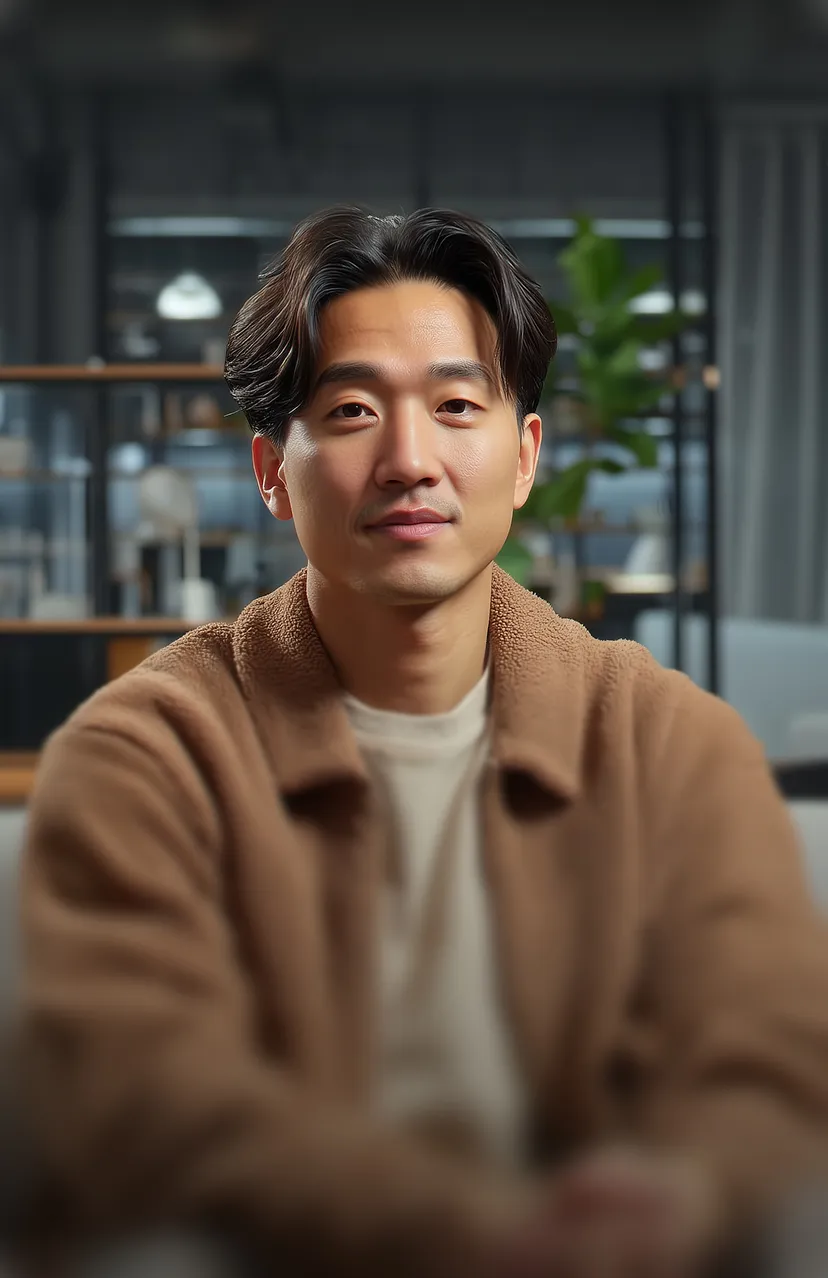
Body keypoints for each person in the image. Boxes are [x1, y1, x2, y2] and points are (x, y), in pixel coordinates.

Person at [21, 206, 828, 1278]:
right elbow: (139, 1085)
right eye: (352, 411)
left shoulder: (664, 738)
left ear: (526, 455)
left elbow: (767, 1047)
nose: (411, 460)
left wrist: (688, 1190)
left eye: (456, 405)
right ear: (272, 470)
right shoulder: (150, 747)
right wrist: (475, 1231)